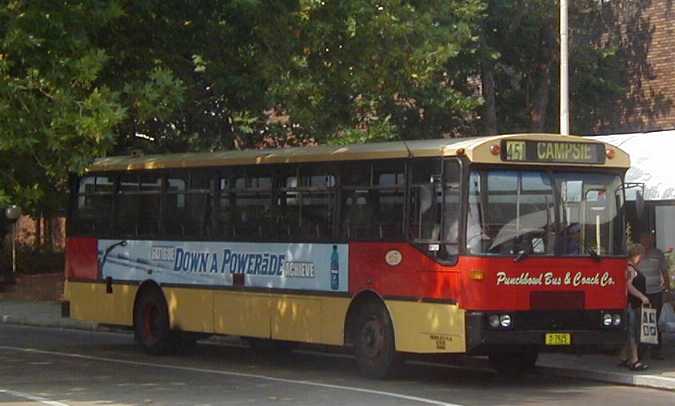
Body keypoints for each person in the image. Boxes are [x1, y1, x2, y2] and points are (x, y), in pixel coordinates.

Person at [618, 243, 650, 371]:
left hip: (634, 304)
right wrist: (642, 297)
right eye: (641, 255)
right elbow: (628, 286)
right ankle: (634, 361)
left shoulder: (631, 268)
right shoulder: (630, 269)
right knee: (633, 333)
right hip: (632, 304)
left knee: (633, 332)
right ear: (637, 255)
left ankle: (623, 357)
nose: (642, 258)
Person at [638, 232, 669, 360]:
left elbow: (665, 272)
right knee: (642, 321)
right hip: (641, 293)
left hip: (656, 292)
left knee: (655, 321)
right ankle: (641, 350)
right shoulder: (637, 254)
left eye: (649, 239)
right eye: (644, 238)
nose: (647, 241)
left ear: (652, 240)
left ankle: (656, 351)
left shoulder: (658, 254)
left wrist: (667, 289)